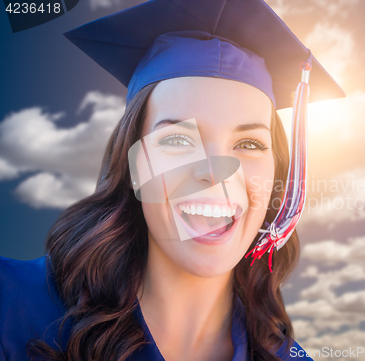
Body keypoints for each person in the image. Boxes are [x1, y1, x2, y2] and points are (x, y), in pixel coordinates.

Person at [0, 0, 344, 360]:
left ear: (277, 174)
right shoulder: (13, 305)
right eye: (178, 140)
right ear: (133, 165)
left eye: (248, 143)